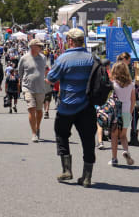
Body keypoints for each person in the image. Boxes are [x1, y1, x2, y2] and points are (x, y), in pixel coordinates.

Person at [46, 28, 96, 188]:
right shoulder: (92, 59)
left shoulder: (63, 59)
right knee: (88, 141)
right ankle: (87, 177)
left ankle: (67, 170)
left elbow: (51, 78)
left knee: (61, 134)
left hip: (66, 106)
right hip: (87, 106)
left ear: (70, 41)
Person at [18, 38, 48, 143]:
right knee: (31, 108)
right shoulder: (24, 58)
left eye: (40, 46)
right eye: (39, 46)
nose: (41, 48)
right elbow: (20, 73)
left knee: (39, 111)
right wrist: (22, 84)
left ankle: (37, 127)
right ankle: (34, 133)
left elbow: (45, 70)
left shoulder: (43, 58)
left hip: (40, 88)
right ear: (32, 47)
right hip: (28, 88)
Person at [108, 62, 136, 166]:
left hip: (115, 112)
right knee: (123, 136)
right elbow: (133, 100)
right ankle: (125, 151)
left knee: (114, 136)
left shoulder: (113, 84)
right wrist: (130, 112)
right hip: (127, 112)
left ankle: (114, 159)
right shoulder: (131, 84)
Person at [117, 52, 139, 146]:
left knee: (133, 113)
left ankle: (127, 136)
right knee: (132, 114)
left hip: (126, 93)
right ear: (125, 59)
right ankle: (129, 137)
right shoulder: (121, 67)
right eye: (128, 59)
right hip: (124, 95)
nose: (129, 61)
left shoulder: (125, 67)